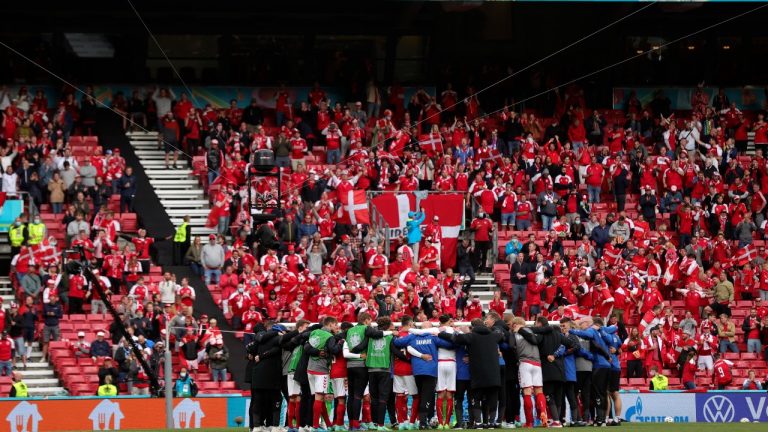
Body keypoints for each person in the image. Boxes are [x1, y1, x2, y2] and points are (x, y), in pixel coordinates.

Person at [442, 318, 504, 428]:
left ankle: (479, 423)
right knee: (492, 398)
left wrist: (441, 333)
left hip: (478, 374)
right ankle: (490, 423)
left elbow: (455, 338)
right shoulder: (493, 336)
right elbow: (501, 334)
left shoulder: (471, 336)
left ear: (473, 327)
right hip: (493, 374)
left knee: (476, 398)